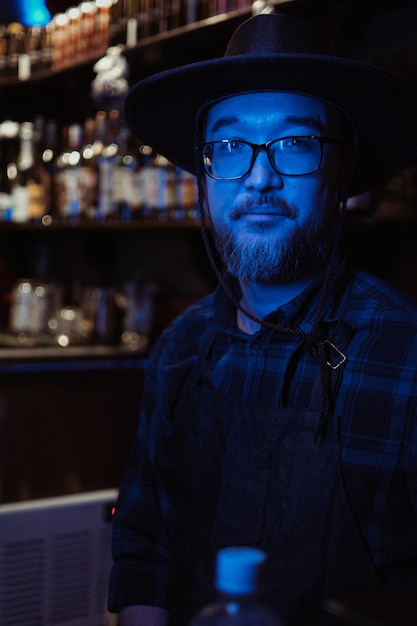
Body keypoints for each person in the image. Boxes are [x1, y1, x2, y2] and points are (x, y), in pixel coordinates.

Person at [108, 11, 417, 626]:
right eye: (229, 147)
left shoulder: (405, 354)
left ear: (341, 174)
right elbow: (146, 547)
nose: (260, 177)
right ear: (203, 177)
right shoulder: (181, 347)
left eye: (295, 144)